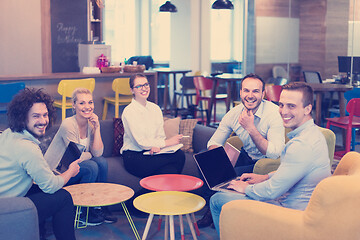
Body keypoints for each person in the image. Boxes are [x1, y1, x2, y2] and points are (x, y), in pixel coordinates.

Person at [210, 82, 331, 234]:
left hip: (290, 214)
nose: (283, 111)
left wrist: (247, 188)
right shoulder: (312, 135)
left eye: (291, 106)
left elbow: (271, 191)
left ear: (307, 109)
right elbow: (294, 171)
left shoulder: (302, 145)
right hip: (290, 201)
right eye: (281, 105)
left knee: (217, 201)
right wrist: (265, 176)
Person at [197, 73, 285, 228]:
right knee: (207, 162)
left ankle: (217, 211)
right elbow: (214, 141)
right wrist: (218, 161)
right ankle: (213, 208)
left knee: (232, 177)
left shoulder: (273, 114)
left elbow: (274, 153)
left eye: (255, 91)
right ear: (241, 92)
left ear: (263, 94)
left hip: (266, 163)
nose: (250, 96)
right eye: (246, 91)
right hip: (247, 155)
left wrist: (251, 128)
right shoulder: (234, 113)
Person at [0, 88, 80, 240]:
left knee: (39, 189)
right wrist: (70, 171)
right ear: (23, 118)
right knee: (63, 198)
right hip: (6, 208)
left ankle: (40, 234)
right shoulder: (27, 147)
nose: (43, 121)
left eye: (45, 115)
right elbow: (50, 185)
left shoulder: (8, 133)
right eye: (36, 116)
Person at [44, 88, 116, 225]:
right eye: (82, 103)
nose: (87, 107)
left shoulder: (90, 124)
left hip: (74, 168)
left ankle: (100, 207)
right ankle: (82, 212)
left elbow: (98, 154)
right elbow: (77, 157)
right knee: (92, 167)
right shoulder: (68, 124)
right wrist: (89, 155)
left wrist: (97, 128)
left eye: (90, 102)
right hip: (58, 171)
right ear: (74, 105)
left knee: (101, 162)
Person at [121, 73, 185, 177]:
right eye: (139, 86)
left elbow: (160, 136)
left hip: (152, 152)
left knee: (170, 169)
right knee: (178, 157)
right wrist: (167, 142)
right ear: (132, 90)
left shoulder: (155, 108)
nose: (144, 88)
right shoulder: (129, 112)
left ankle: (144, 193)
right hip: (134, 156)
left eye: (146, 84)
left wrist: (157, 147)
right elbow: (141, 143)